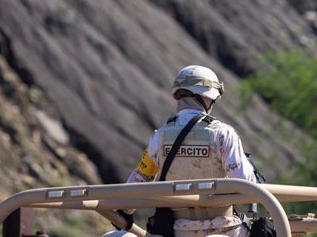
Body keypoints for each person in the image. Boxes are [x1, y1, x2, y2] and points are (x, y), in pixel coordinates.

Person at [107, 65, 259, 237]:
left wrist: (124, 214)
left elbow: (133, 189)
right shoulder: (223, 133)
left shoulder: (160, 136)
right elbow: (246, 184)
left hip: (178, 231)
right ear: (206, 97)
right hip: (226, 230)